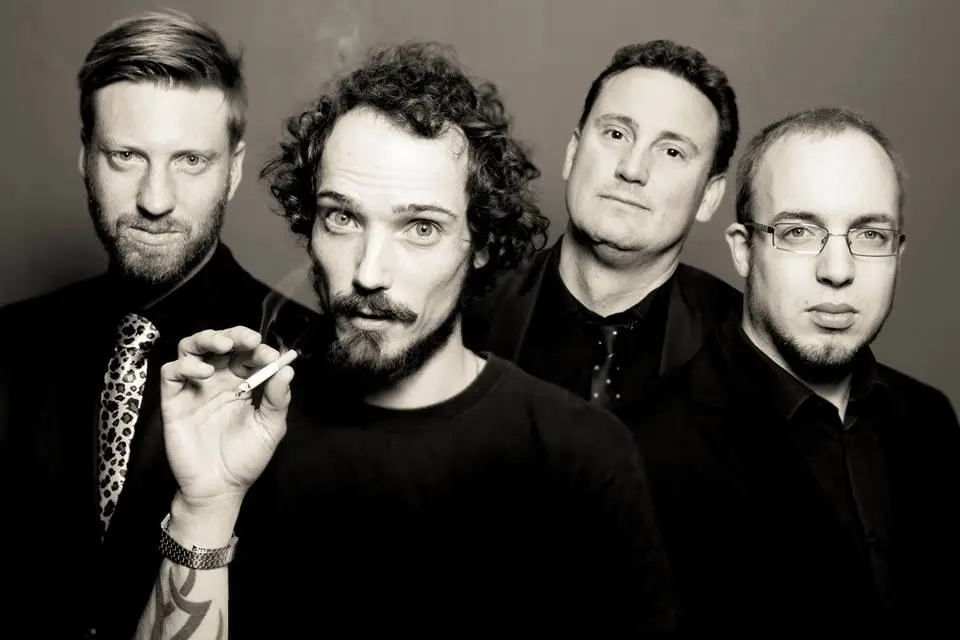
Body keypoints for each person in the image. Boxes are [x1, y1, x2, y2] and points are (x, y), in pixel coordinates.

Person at [134, 42, 677, 639]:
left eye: (420, 227)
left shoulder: (582, 455)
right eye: (342, 218)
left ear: (482, 244)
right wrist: (205, 506)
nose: (369, 273)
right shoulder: (237, 427)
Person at [0, 10, 313, 639]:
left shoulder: (304, 365)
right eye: (125, 156)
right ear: (86, 158)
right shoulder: (9, 344)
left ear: (233, 169)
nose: (155, 199)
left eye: (191, 160)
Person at [627, 106, 960, 635]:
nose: (837, 271)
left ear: (898, 252)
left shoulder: (930, 419)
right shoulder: (642, 450)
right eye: (799, 231)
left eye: (870, 235)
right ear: (743, 251)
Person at [463, 39, 742, 416]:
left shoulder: (743, 344)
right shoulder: (467, 305)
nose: (632, 169)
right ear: (572, 154)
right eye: (616, 134)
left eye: (672, 152)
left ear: (710, 195)